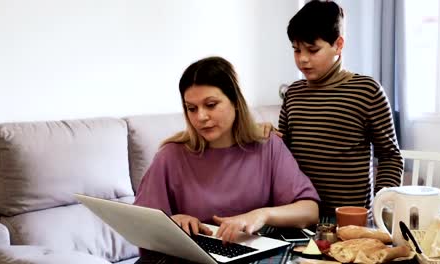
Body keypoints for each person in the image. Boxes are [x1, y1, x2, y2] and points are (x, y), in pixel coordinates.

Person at [134, 56, 320, 245]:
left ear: (235, 102)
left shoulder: (268, 146)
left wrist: (261, 215)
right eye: (191, 108)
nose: (201, 117)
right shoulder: (170, 156)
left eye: (211, 105)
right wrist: (173, 222)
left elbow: (309, 210)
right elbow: (139, 224)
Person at [279, 0, 404, 219]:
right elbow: (282, 154)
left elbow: (390, 156)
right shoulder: (293, 93)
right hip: (299, 217)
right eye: (296, 50)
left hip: (351, 220)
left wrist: (382, 205)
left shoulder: (366, 90)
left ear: (338, 44)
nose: (303, 59)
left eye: (312, 49)